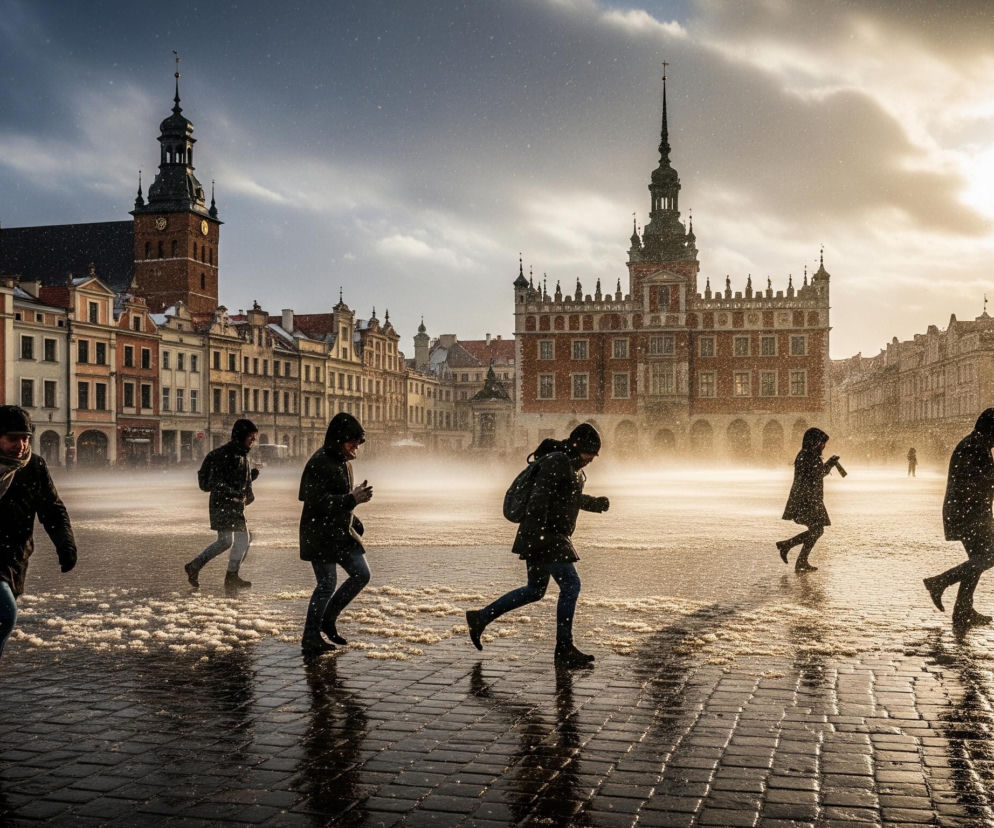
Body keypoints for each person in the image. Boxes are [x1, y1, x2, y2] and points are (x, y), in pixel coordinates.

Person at [465, 423, 610, 669]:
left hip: (543, 535)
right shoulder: (558, 461)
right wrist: (541, 537)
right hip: (546, 535)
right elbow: (539, 498)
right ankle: (564, 648)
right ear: (579, 446)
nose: (592, 459)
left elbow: (566, 497)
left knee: (535, 589)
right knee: (571, 585)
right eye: (590, 453)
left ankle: (481, 617)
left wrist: (594, 504)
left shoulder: (569, 465)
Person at [0, 406, 77, 660]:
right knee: (5, 613)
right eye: (13, 438)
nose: (21, 445)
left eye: (26, 438)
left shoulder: (34, 466)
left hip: (15, 556)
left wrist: (65, 545)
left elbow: (52, 510)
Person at [298, 413, 374, 655]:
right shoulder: (319, 462)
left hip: (340, 533)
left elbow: (339, 498)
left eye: (359, 442)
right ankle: (310, 636)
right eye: (353, 441)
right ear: (339, 439)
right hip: (319, 534)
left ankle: (328, 619)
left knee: (362, 574)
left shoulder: (344, 462)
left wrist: (354, 517)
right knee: (326, 583)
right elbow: (316, 501)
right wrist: (352, 499)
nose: (356, 447)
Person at [923, 409, 994, 634]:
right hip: (969, 514)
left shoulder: (976, 444)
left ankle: (963, 610)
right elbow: (977, 483)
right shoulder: (974, 447)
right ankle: (939, 582)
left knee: (977, 560)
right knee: (988, 557)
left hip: (969, 512)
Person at [184, 419, 259, 590]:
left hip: (231, 504)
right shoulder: (224, 455)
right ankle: (227, 575)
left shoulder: (241, 454)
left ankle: (197, 567)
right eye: (251, 436)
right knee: (236, 540)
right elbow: (214, 482)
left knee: (229, 541)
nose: (253, 440)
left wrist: (251, 479)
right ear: (242, 436)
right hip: (223, 503)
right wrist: (233, 494)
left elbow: (236, 479)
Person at [776, 427, 841, 574]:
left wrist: (828, 464)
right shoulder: (808, 456)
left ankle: (797, 556)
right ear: (814, 442)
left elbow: (816, 474)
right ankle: (789, 548)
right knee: (817, 530)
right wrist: (830, 463)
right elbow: (817, 474)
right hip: (806, 500)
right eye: (822, 443)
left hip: (807, 499)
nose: (823, 446)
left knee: (816, 530)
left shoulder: (806, 454)